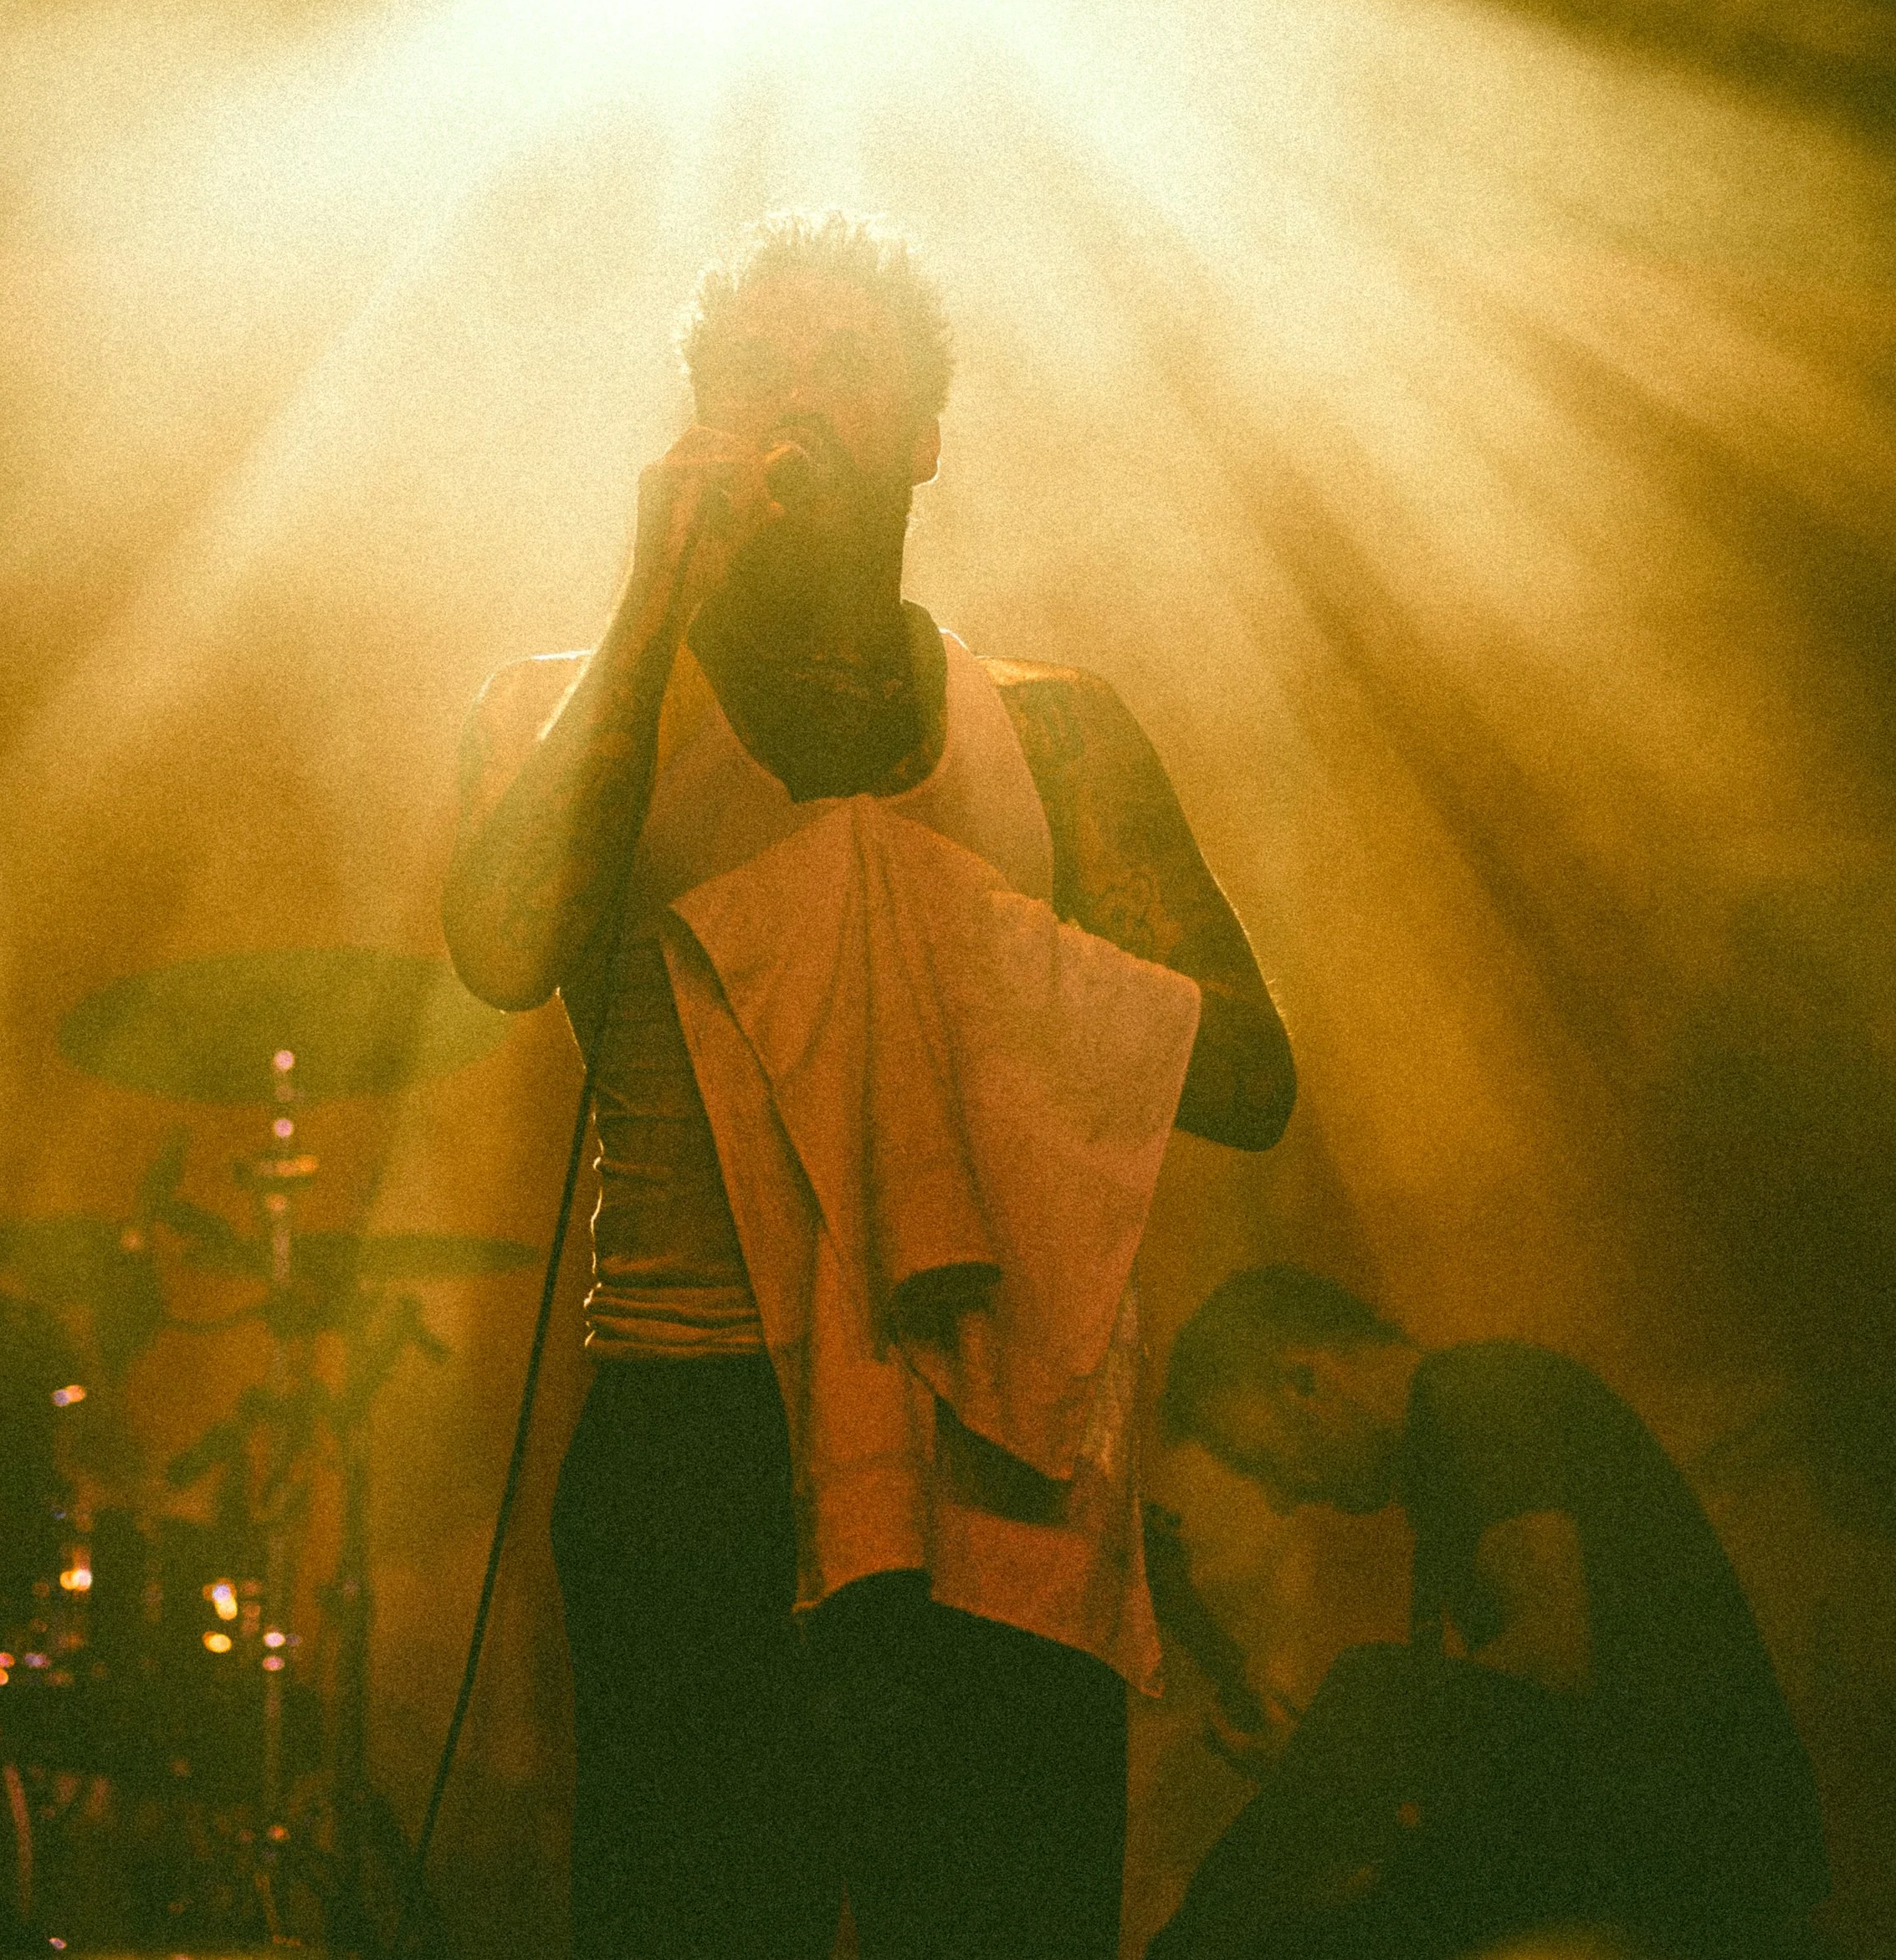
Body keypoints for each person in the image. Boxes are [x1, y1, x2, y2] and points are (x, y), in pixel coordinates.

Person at [443, 211, 1295, 1960]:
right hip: (694, 1428)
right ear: (694, 414)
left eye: (841, 361)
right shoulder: (563, 703)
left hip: (991, 1429)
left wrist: (960, 946)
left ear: (921, 433)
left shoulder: (1056, 726)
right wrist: (649, 591)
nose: (791, 394)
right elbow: (503, 938)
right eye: (749, 364)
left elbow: (1249, 1069)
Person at [1145, 1265, 1829, 1960]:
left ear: (1306, 1381)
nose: (1280, 1498)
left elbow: (1550, 1656)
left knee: (1373, 1694)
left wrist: (1345, 1770)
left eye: (1262, 1460)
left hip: (1704, 1836)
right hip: (1652, 1830)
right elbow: (1510, 1739)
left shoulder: (1475, 1391)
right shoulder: (1444, 1467)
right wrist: (1330, 1784)